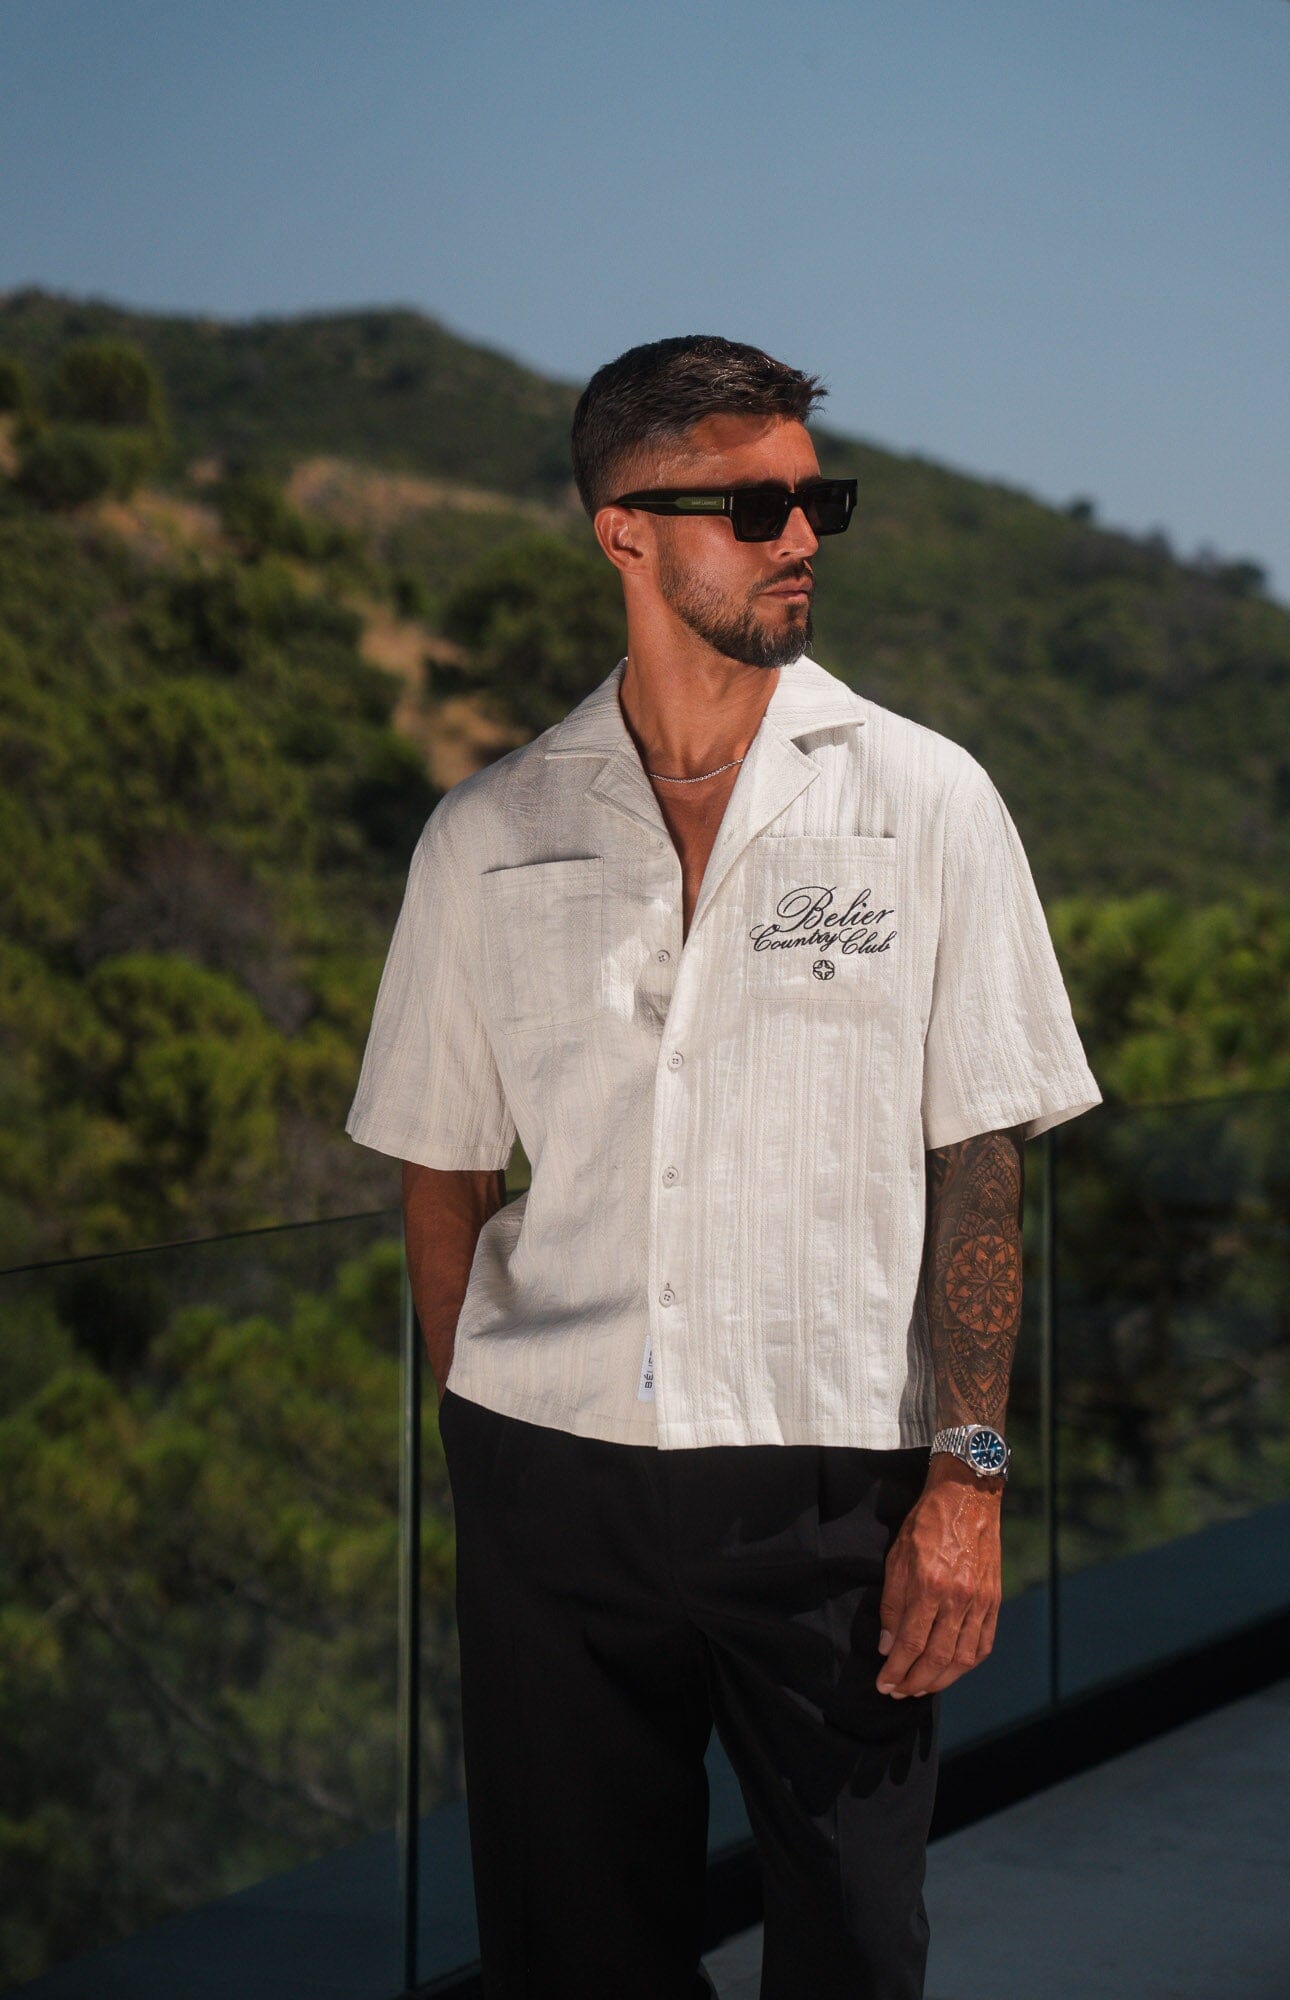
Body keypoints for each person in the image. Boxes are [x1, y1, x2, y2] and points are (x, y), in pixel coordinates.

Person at [344, 334, 1102, 2000]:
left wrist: (966, 1484)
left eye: (817, 500)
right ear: (624, 530)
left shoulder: (926, 801)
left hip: (831, 1485)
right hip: (549, 1485)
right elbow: (442, 1170)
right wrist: (484, 1440)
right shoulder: (488, 833)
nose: (801, 537)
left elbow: (980, 1162)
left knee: (854, 1944)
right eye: (754, 508)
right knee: (571, 1952)